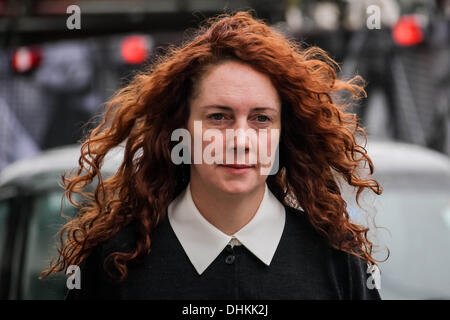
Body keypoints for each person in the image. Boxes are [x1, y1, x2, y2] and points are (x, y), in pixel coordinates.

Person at [41, 10, 384, 299]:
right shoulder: (113, 264)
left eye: (261, 118)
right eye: (218, 116)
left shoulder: (338, 263)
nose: (240, 139)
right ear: (182, 128)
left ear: (284, 134)